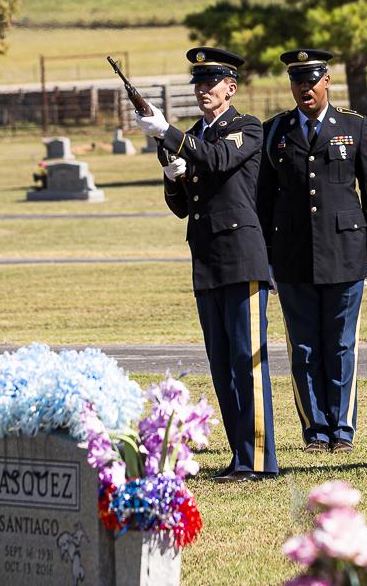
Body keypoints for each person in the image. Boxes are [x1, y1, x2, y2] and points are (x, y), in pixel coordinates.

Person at [135, 47, 278, 482]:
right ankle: (240, 456)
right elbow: (183, 206)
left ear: (230, 88)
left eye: (211, 83)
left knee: (247, 361)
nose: (202, 90)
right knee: (221, 364)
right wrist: (172, 176)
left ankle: (258, 461)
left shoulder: (245, 127)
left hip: (242, 257)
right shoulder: (195, 134)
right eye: (197, 83)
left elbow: (218, 160)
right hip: (207, 260)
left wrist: (168, 133)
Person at [256, 49, 367, 453]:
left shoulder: (354, 126)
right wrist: (268, 256)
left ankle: (342, 429)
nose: (304, 89)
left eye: (311, 80)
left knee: (342, 344)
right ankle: (315, 429)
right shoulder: (274, 131)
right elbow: (264, 199)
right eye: (297, 81)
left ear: (326, 81)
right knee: (304, 347)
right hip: (294, 255)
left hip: (345, 251)